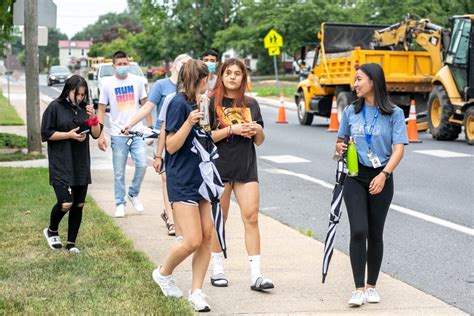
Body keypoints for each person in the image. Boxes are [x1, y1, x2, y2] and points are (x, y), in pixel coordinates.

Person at [335, 63, 408, 306]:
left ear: (373, 82)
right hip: (355, 175)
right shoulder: (350, 112)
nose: (354, 84)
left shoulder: (394, 114)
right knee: (358, 230)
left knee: (375, 233)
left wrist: (384, 174)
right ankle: (357, 289)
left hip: (382, 176)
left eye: (358, 79)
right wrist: (339, 149)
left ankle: (371, 286)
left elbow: (399, 149)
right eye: (355, 80)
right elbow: (339, 143)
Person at [151, 59, 214, 312]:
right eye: (206, 78)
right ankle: (163, 274)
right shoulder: (177, 103)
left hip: (202, 177)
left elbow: (207, 136)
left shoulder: (200, 102)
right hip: (182, 178)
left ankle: (196, 291)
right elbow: (171, 146)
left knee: (208, 235)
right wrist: (189, 122)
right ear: (199, 79)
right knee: (192, 240)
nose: (208, 82)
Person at [207, 58, 274, 291]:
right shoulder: (210, 102)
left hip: (246, 168)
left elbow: (260, 141)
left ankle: (256, 275)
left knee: (251, 217)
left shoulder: (252, 104)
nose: (233, 77)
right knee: (219, 220)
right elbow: (206, 138)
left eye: (238, 73)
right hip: (219, 168)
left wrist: (258, 130)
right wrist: (231, 129)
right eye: (228, 73)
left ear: (243, 77)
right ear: (221, 76)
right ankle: (217, 270)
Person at [122, 54, 191, 236]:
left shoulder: (191, 87)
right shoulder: (161, 85)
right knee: (167, 178)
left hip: (184, 137)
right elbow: (147, 108)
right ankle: (170, 219)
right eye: (182, 63)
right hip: (164, 136)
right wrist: (130, 124)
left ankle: (177, 212)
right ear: (174, 66)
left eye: (188, 64)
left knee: (181, 179)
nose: (185, 67)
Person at [41, 75, 102, 253]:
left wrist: (94, 119)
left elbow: (96, 134)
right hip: (61, 162)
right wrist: (68, 135)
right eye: (78, 94)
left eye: (83, 94)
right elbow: (46, 134)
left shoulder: (85, 109)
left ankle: (71, 243)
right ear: (68, 90)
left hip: (80, 162)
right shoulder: (55, 107)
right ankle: (51, 230)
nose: (80, 98)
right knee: (66, 202)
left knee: (78, 204)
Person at [96, 50, 151, 218]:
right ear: (114, 66)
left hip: (137, 132)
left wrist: (149, 130)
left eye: (125, 63)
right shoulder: (107, 84)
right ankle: (120, 203)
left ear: (129, 64)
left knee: (142, 165)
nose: (122, 67)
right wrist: (100, 134)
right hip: (117, 133)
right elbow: (101, 108)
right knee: (119, 171)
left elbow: (146, 105)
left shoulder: (137, 81)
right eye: (119, 64)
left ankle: (133, 193)